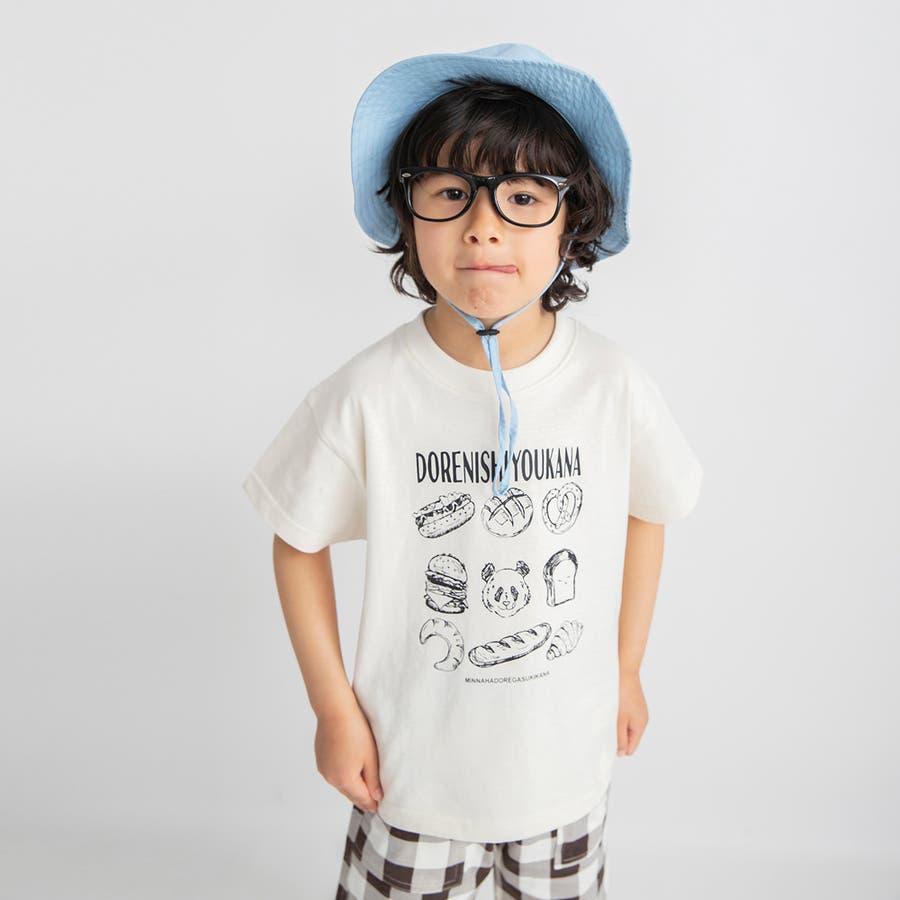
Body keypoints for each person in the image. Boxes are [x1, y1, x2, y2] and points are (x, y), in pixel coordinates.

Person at [242, 43, 704, 899]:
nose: (484, 225)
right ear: (407, 214)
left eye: (523, 196)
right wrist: (334, 709)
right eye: (450, 192)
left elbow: (652, 507)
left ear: (572, 220)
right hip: (411, 775)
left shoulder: (611, 383)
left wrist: (627, 665)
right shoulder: (370, 392)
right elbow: (296, 536)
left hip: (566, 769)